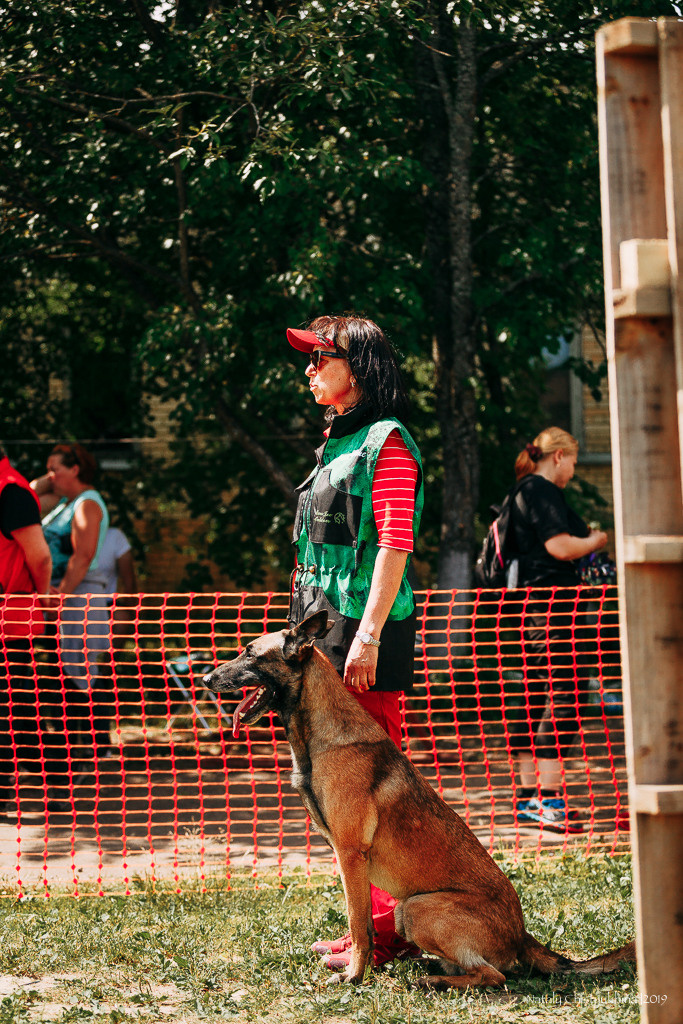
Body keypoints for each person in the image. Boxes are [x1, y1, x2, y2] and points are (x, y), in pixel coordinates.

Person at [286, 314, 424, 971]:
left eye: (320, 359)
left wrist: (366, 636)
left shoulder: (385, 442)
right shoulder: (336, 441)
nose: (309, 370)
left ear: (359, 367)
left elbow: (396, 543)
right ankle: (364, 929)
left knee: (372, 796)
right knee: (341, 798)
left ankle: (388, 934)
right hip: (320, 634)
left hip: (362, 639)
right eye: (308, 360)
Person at [507, 426, 608, 833]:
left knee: (534, 694)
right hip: (552, 608)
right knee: (565, 693)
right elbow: (560, 547)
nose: (572, 473)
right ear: (560, 456)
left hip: (528, 611)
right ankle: (549, 801)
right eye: (574, 464)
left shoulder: (520, 490)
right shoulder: (542, 490)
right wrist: (597, 539)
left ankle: (528, 799)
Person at [31, 444, 110, 760]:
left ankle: (82, 754)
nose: (50, 476)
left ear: (75, 470)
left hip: (78, 599)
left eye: (55, 469)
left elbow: (83, 556)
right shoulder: (66, 502)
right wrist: (50, 479)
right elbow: (30, 496)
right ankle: (70, 753)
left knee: (78, 676)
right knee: (64, 677)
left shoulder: (87, 504)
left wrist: (59, 597)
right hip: (65, 599)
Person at [0, 445, 52, 817]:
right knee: (10, 708)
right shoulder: (12, 490)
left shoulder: (12, 491)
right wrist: (47, 598)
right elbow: (41, 557)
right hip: (11, 619)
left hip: (11, 617)